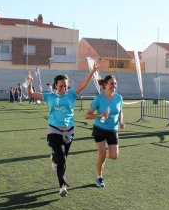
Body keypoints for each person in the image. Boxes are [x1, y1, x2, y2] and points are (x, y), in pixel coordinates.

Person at [27, 64, 99, 197]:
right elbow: (31, 93)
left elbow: (83, 85)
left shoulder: (71, 95)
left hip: (69, 131)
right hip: (54, 130)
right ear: (55, 85)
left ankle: (54, 158)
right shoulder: (49, 96)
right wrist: (29, 81)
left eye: (65, 86)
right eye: (61, 86)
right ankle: (62, 186)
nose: (63, 88)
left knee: (62, 158)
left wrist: (93, 71)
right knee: (62, 160)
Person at [85, 75, 124, 188]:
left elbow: (121, 111)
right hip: (100, 129)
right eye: (111, 83)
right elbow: (87, 115)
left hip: (113, 130)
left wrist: (121, 121)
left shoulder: (119, 98)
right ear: (105, 85)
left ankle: (102, 154)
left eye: (115, 83)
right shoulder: (99, 99)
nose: (114, 86)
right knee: (101, 155)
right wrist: (100, 114)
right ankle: (99, 177)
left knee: (114, 156)